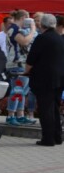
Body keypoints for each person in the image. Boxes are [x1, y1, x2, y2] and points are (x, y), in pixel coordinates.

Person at [25, 14, 64, 146]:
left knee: (46, 109)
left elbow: (31, 60)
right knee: (55, 108)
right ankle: (57, 137)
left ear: (42, 25)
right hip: (60, 79)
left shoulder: (41, 38)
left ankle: (48, 139)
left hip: (45, 79)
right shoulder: (60, 39)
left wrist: (26, 71)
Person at [5, 9, 37, 126]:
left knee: (22, 92)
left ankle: (20, 115)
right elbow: (24, 42)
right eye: (28, 19)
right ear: (23, 18)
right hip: (16, 65)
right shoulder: (14, 29)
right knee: (17, 91)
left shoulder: (17, 29)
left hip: (22, 65)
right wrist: (33, 30)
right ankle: (11, 116)